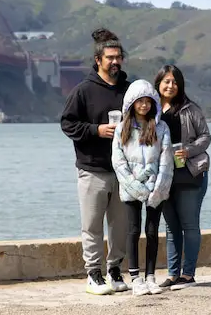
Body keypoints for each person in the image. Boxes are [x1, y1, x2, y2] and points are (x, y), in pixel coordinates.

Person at [60, 28, 131, 295]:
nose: (115, 61)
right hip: (92, 169)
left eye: (118, 57)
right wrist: (96, 130)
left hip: (123, 172)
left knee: (120, 226)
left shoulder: (129, 90)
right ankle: (93, 274)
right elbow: (67, 124)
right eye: (110, 57)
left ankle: (114, 270)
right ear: (98, 60)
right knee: (91, 225)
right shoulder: (83, 91)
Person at [111, 79, 174, 296]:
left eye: (148, 101)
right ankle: (135, 277)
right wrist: (134, 186)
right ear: (131, 103)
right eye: (140, 101)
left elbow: (166, 159)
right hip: (131, 188)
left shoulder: (161, 127)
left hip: (156, 187)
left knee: (152, 231)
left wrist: (158, 188)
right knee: (133, 230)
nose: (144, 105)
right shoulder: (121, 129)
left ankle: (150, 276)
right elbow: (118, 162)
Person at [153, 65, 211, 290]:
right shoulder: (152, 110)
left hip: (190, 174)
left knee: (189, 225)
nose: (170, 85)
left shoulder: (190, 109)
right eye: (166, 81)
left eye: (174, 82)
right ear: (158, 83)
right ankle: (172, 274)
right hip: (164, 176)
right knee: (170, 228)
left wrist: (188, 150)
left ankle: (188, 275)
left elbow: (206, 136)